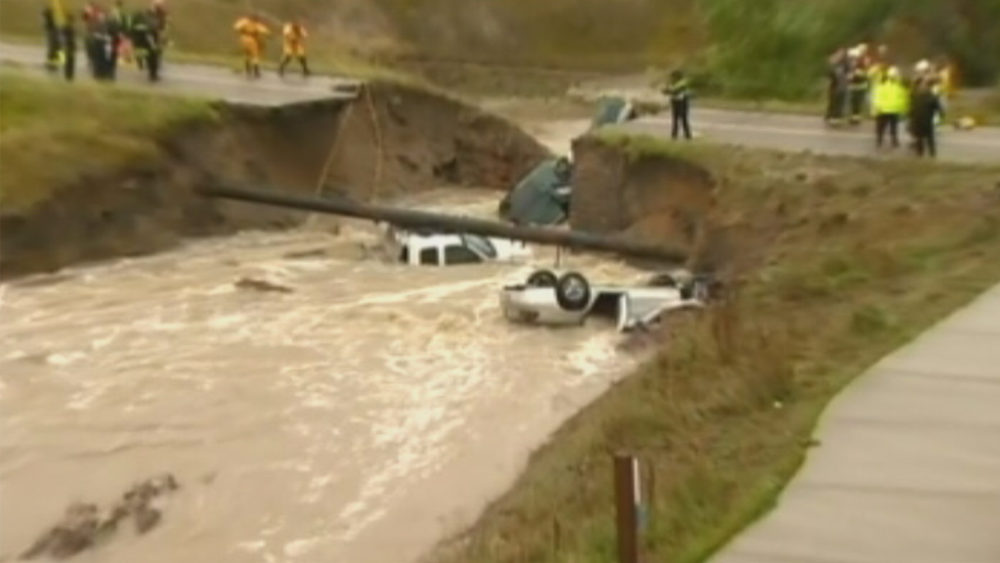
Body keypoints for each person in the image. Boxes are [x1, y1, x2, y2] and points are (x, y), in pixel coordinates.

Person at [872, 66, 908, 149]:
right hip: (893, 110)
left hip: (883, 110)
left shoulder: (882, 85)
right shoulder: (899, 86)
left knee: (881, 127)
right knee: (893, 127)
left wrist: (877, 107)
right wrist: (904, 109)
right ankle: (894, 141)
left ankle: (879, 141)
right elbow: (903, 98)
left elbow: (877, 97)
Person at [909, 77, 943, 158]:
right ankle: (932, 153)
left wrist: (911, 116)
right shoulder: (931, 96)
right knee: (930, 137)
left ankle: (920, 154)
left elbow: (912, 107)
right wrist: (941, 114)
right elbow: (938, 107)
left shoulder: (915, 95)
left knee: (919, 137)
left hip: (917, 119)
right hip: (927, 119)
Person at [234, 12, 270, 78]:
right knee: (255, 55)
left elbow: (236, 27)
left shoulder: (244, 21)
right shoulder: (256, 24)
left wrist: (241, 31)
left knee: (247, 54)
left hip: (244, 38)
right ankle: (256, 71)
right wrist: (269, 35)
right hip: (252, 39)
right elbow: (264, 31)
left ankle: (248, 69)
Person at [130, 7, 162, 81]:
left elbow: (135, 34)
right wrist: (154, 45)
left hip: (143, 44)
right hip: (150, 44)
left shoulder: (139, 24)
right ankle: (153, 75)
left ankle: (149, 72)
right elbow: (149, 35)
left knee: (148, 59)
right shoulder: (149, 23)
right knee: (153, 60)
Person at [664, 69, 692, 140]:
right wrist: (667, 89)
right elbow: (667, 91)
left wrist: (668, 90)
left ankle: (687, 136)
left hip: (682, 102)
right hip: (675, 102)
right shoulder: (673, 83)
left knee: (683, 119)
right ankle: (675, 135)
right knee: (675, 119)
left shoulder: (682, 83)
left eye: (673, 77)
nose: (671, 78)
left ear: (677, 77)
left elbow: (675, 91)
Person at [824, 48, 849, 125]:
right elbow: (829, 74)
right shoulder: (833, 63)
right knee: (833, 101)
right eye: (839, 53)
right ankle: (831, 116)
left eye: (842, 54)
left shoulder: (845, 63)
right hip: (834, 85)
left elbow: (848, 72)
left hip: (842, 85)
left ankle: (837, 117)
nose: (841, 55)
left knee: (840, 102)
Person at [846, 48, 870, 124]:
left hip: (859, 86)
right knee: (853, 103)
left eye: (854, 58)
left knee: (857, 103)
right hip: (854, 86)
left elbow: (864, 75)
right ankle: (854, 117)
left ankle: (855, 118)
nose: (852, 60)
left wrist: (854, 75)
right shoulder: (852, 66)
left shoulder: (861, 66)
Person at [43, 6, 63, 72]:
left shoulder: (49, 23)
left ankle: (53, 64)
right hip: (54, 37)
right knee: (57, 50)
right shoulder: (49, 23)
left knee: (55, 50)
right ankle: (55, 64)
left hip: (53, 37)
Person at [60, 13, 78, 81]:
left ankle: (69, 77)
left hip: (68, 47)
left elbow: (72, 39)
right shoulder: (66, 27)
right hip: (66, 47)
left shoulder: (69, 27)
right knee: (67, 62)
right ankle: (68, 77)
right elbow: (64, 38)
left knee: (69, 62)